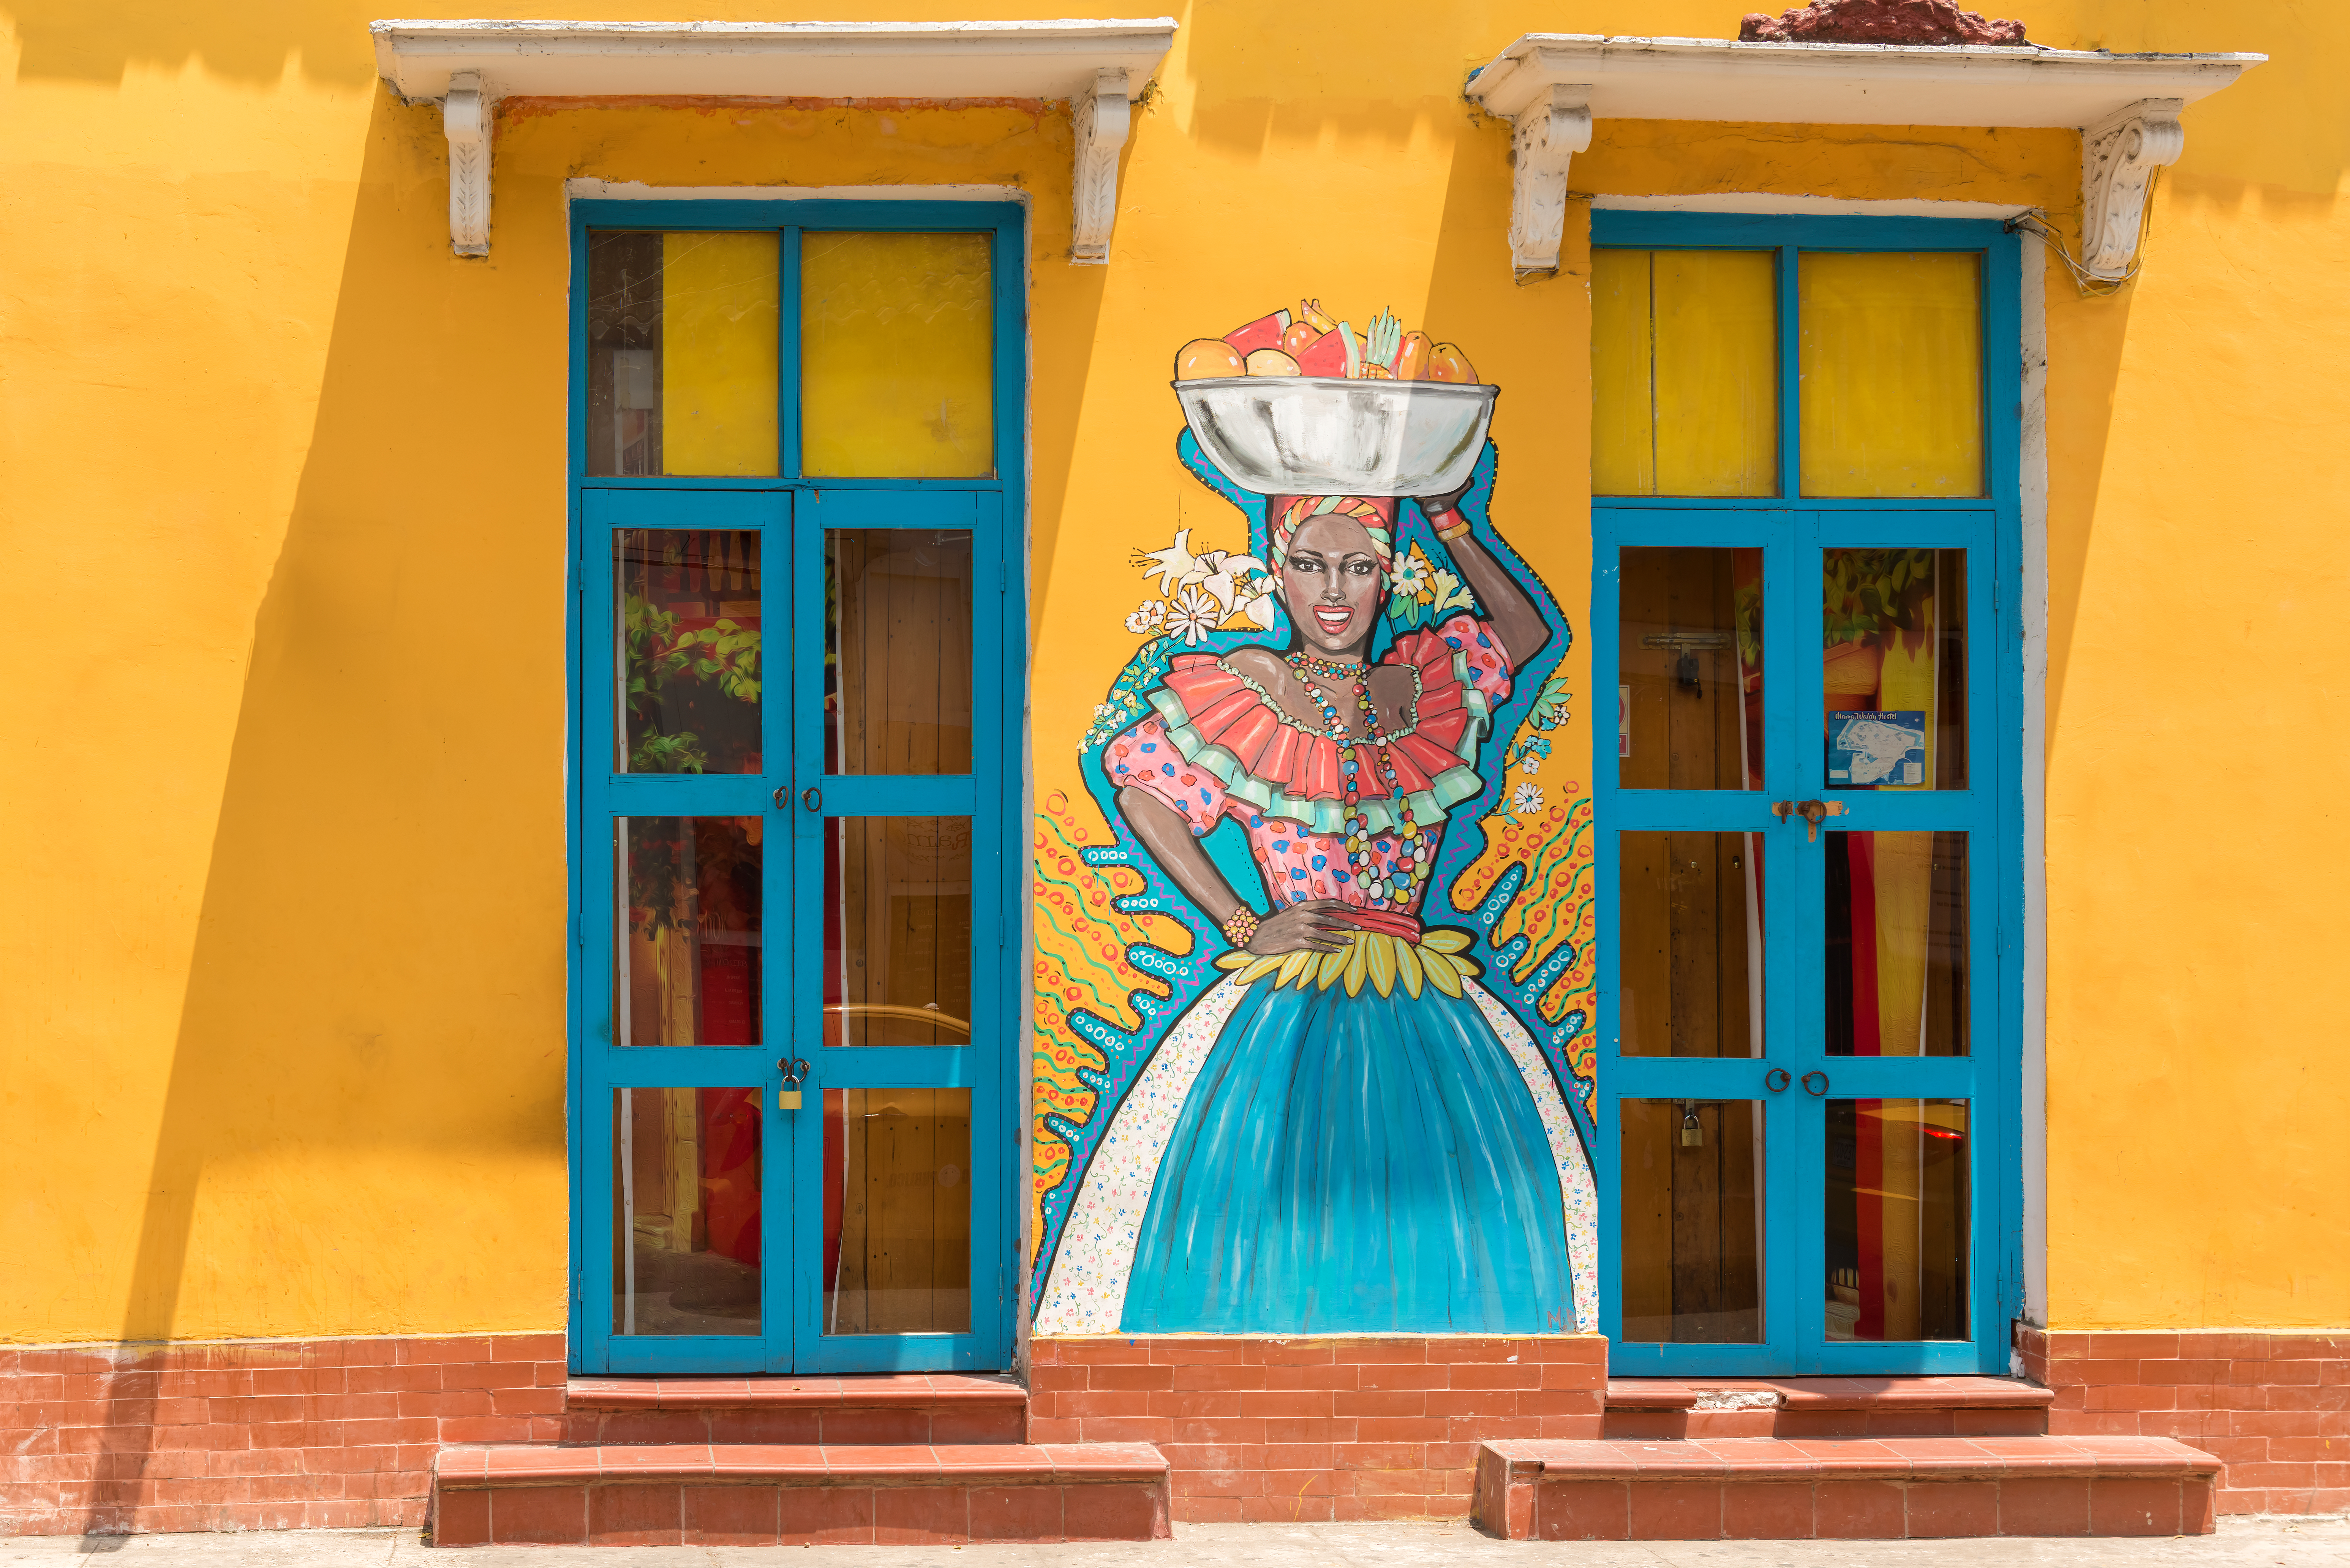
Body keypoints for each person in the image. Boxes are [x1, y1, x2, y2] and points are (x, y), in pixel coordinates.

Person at [1063, 479, 1591, 1334]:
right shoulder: (1252, 683)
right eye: (1310, 566)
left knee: (1444, 1216)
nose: (1335, 593)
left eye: (1358, 567)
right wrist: (1241, 924)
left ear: (1387, 577)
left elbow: (1526, 633)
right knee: (1266, 1202)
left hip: (1424, 1001)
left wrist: (1449, 519)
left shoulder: (1420, 682)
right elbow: (1144, 796)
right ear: (1278, 574)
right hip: (1292, 1007)